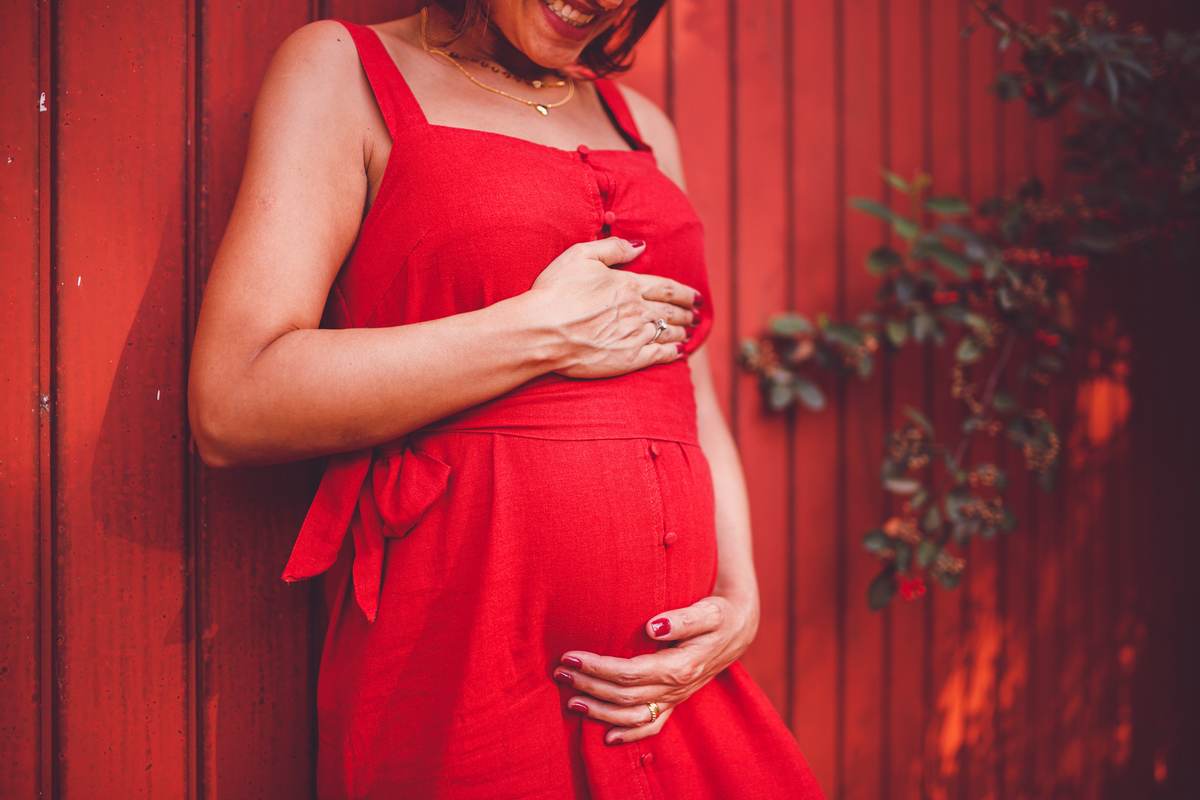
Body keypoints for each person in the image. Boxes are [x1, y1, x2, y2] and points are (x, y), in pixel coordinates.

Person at [189, 1, 826, 797]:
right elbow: (235, 400)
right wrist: (539, 333)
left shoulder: (643, 127)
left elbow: (684, 376)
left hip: (665, 686)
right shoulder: (341, 71)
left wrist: (739, 596)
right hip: (465, 659)